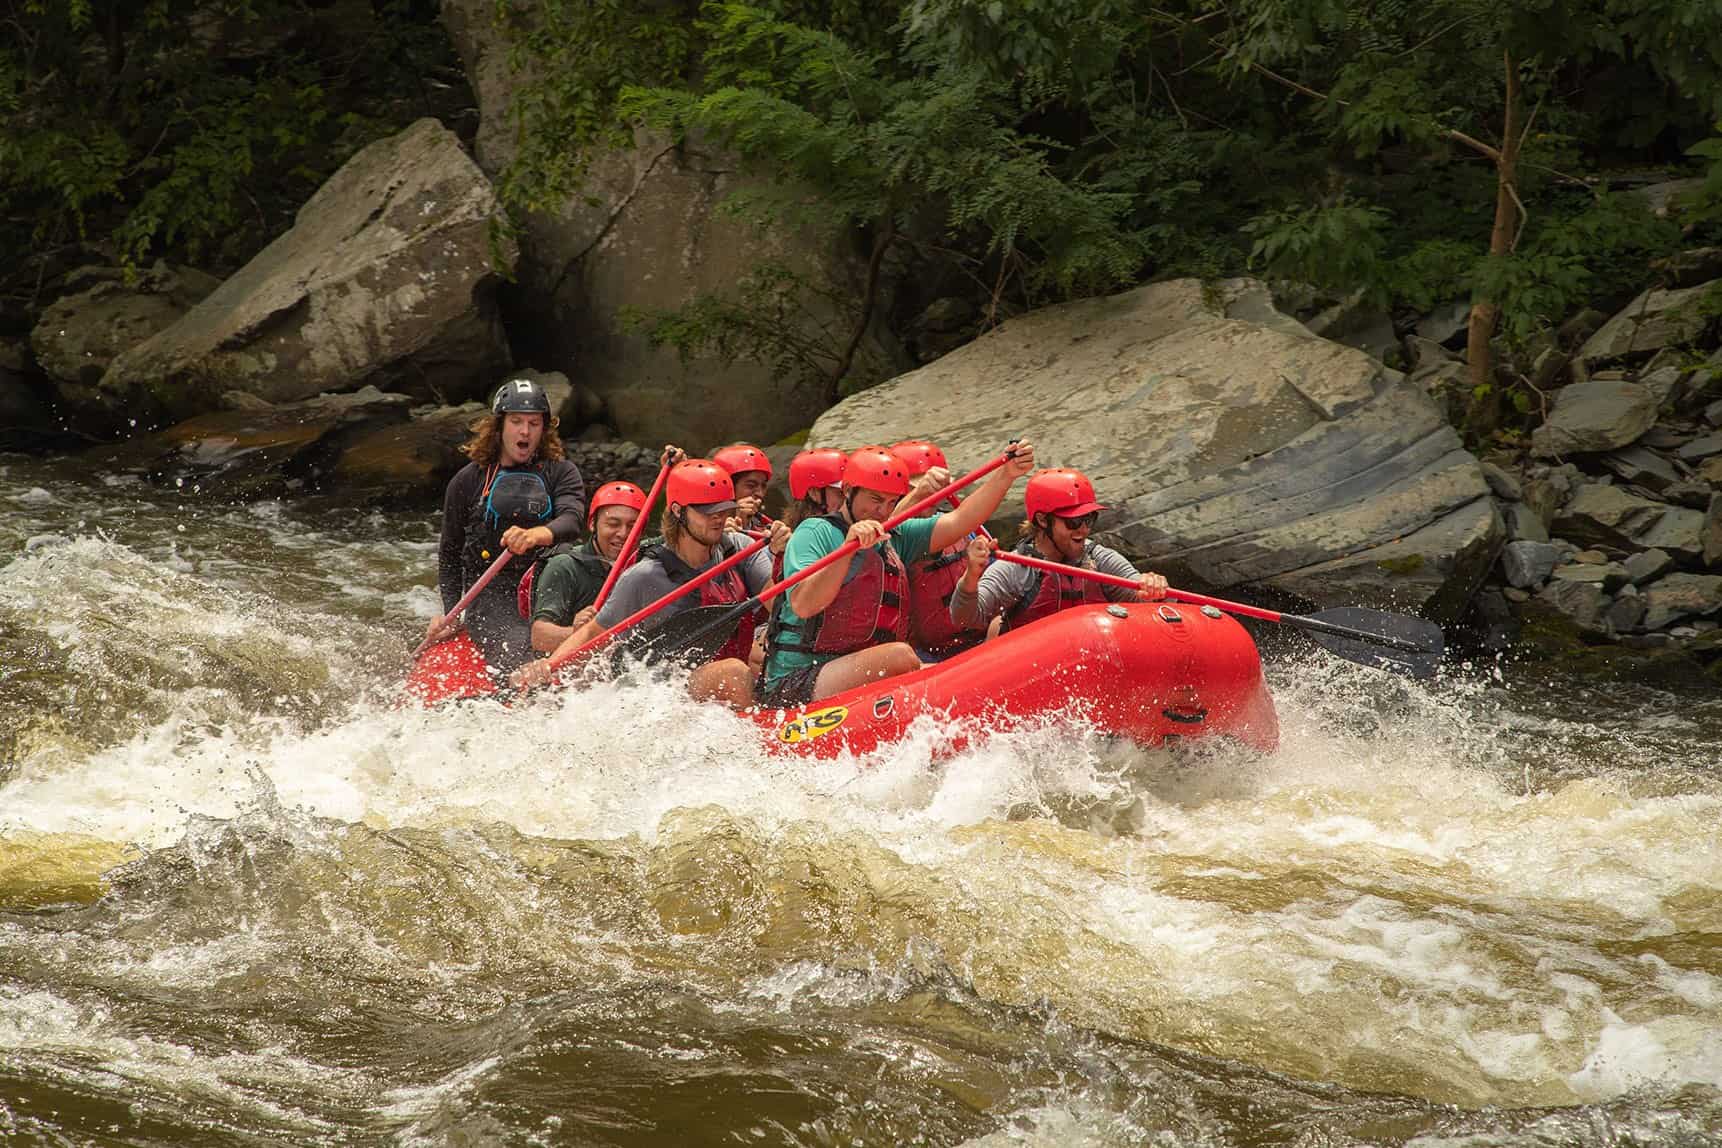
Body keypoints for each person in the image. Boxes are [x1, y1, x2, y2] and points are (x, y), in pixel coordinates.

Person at [759, 438, 1036, 707]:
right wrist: (846, 549)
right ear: (847, 491)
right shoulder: (813, 532)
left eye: (892, 503)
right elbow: (804, 604)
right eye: (875, 500)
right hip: (795, 682)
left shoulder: (893, 536)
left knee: (948, 670)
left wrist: (1006, 475)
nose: (882, 512)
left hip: (856, 671)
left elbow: (960, 521)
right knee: (901, 656)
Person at [525, 458, 790, 704]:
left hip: (720, 670)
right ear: (678, 511)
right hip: (664, 686)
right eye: (707, 511)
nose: (718, 518)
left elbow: (779, 605)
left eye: (723, 510)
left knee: (757, 659)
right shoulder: (645, 575)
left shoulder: (741, 550)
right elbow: (595, 632)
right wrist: (549, 667)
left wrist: (780, 559)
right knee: (734, 673)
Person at [426, 377, 585, 672]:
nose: (525, 431)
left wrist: (537, 534)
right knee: (520, 649)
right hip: (491, 590)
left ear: (544, 429)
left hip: (549, 584)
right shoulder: (468, 480)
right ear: (499, 426)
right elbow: (449, 554)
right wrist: (452, 615)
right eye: (516, 421)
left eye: (534, 423)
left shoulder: (562, 472)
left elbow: (572, 520)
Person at [949, 467, 1167, 634]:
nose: (1083, 529)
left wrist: (1152, 588)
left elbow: (1143, 598)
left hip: (1099, 660)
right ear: (1043, 520)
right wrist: (971, 577)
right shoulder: (1016, 570)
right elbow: (964, 619)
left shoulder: (1100, 559)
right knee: (995, 628)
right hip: (1034, 670)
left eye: (1089, 519)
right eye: (1074, 521)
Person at [890, 439, 988, 662]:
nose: (931, 497)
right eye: (922, 489)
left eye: (935, 490)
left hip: (979, 642)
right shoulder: (889, 540)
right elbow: (882, 537)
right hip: (923, 658)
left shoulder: (960, 526)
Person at [522, 479, 647, 653]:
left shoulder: (646, 565)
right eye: (613, 524)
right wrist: (578, 632)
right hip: (564, 667)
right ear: (592, 524)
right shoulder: (564, 566)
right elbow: (540, 638)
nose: (623, 534)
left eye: (633, 526)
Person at [712, 443, 775, 533]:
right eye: (751, 485)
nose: (760, 494)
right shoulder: (702, 529)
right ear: (727, 487)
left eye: (763, 486)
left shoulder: (764, 529)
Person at [783, 447, 847, 524]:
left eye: (849, 491)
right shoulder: (803, 534)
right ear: (814, 493)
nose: (847, 499)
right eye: (840, 493)